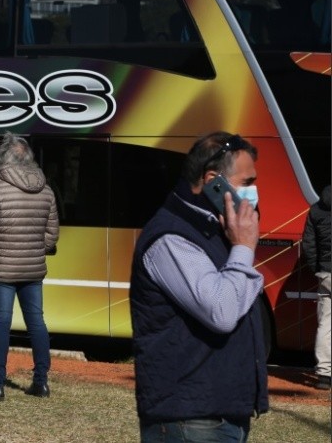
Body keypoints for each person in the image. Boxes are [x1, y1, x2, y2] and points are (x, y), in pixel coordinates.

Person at [130, 132, 268, 442]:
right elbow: (221, 311)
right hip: (190, 420)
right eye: (246, 183)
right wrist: (244, 248)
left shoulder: (214, 231)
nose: (253, 193)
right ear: (212, 181)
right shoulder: (171, 238)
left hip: (216, 413)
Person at [0, 132, 59, 401]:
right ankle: (41, 382)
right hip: (33, 269)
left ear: (2, 157)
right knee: (37, 323)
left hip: (1, 270)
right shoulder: (46, 189)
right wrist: (34, 250)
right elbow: (51, 234)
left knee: (1, 323)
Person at [302, 185, 331, 390]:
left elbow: (308, 245)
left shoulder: (316, 209)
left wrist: (318, 269)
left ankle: (324, 375)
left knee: (326, 324)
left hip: (326, 273)